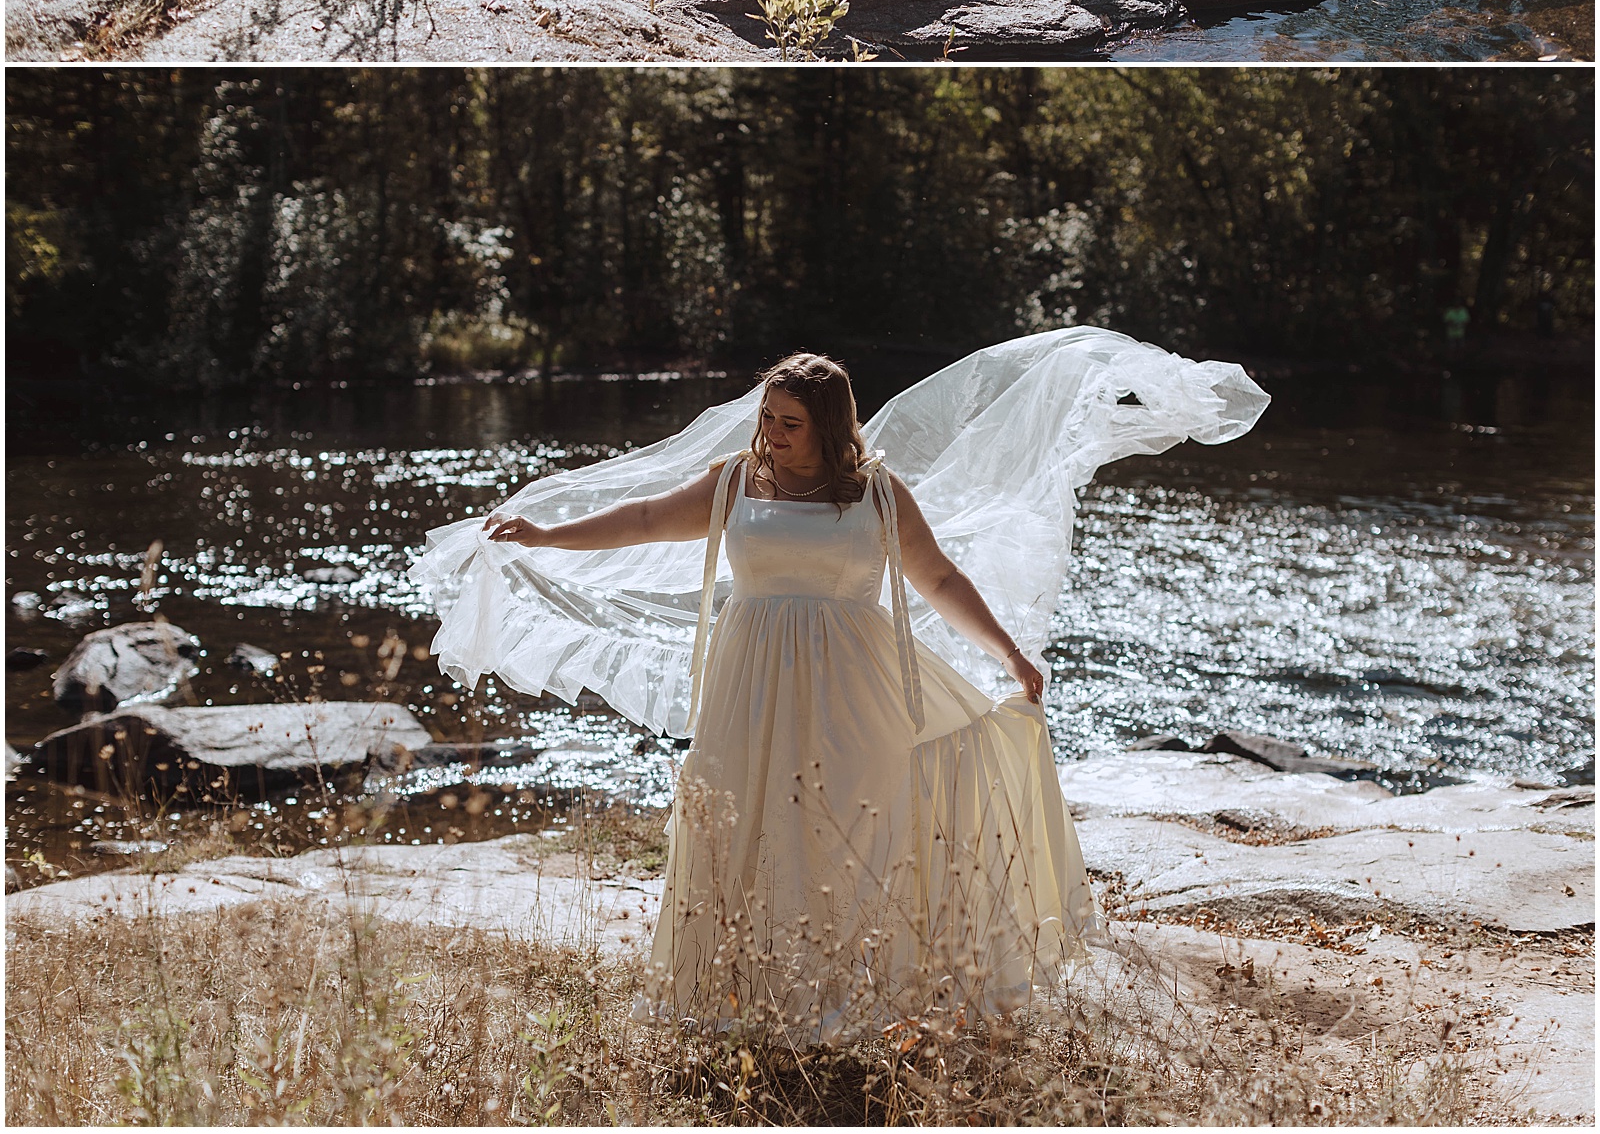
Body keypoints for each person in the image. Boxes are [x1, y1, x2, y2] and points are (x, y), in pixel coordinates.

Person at [418, 328, 1270, 1034]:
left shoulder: (876, 493)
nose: (773, 432)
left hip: (856, 687)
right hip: (751, 682)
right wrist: (542, 533)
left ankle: (857, 992)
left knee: (852, 829)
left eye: (789, 421)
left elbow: (938, 579)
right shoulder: (731, 486)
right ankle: (741, 990)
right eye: (768, 416)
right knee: (745, 819)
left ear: (829, 424)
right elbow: (641, 520)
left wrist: (1010, 653)